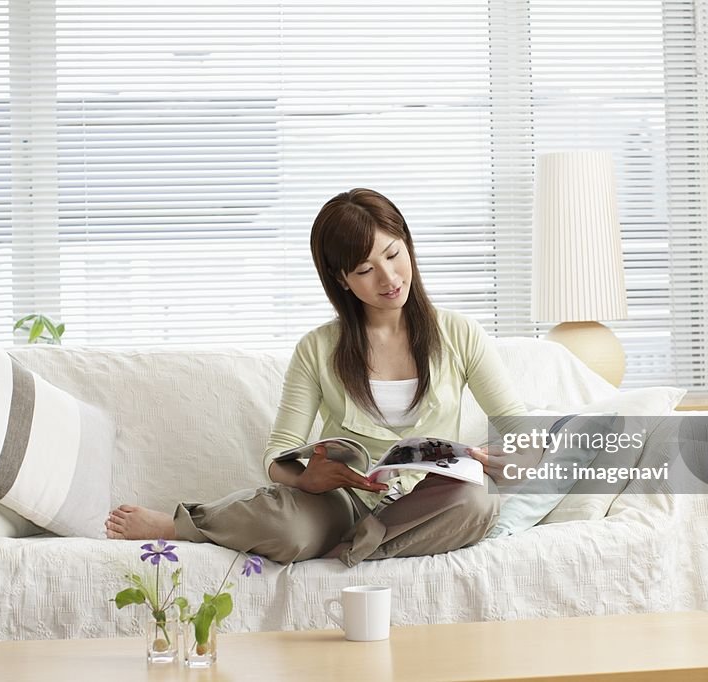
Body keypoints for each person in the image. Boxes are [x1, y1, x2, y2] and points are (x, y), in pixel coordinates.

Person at [105, 188, 526, 566]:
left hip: (426, 501)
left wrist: (502, 458)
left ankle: (348, 548)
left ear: (408, 245)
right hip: (342, 501)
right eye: (364, 270)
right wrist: (305, 477)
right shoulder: (317, 348)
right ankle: (182, 525)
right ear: (341, 279)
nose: (389, 278)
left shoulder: (460, 333)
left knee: (477, 504)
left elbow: (518, 429)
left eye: (394, 254)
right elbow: (278, 455)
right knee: (286, 528)